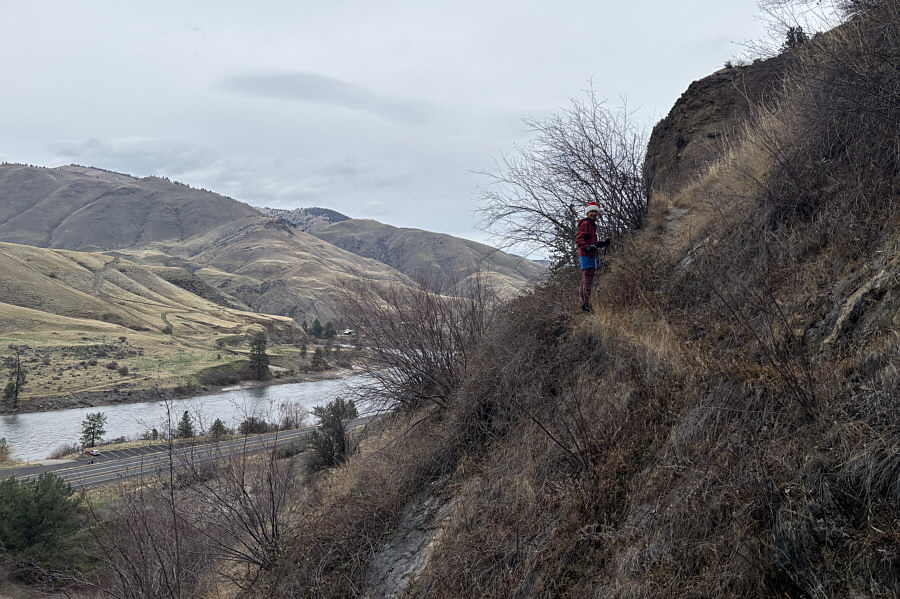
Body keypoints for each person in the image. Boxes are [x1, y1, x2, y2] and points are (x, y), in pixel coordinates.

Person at [575, 201, 610, 312]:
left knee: (585, 280)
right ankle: (586, 305)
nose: (593, 213)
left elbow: (592, 243)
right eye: (591, 212)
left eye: (595, 211)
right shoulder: (586, 224)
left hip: (589, 255)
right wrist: (587, 248)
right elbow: (579, 240)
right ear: (587, 213)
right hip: (587, 256)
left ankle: (582, 302)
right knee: (588, 281)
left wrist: (602, 243)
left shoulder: (591, 225)